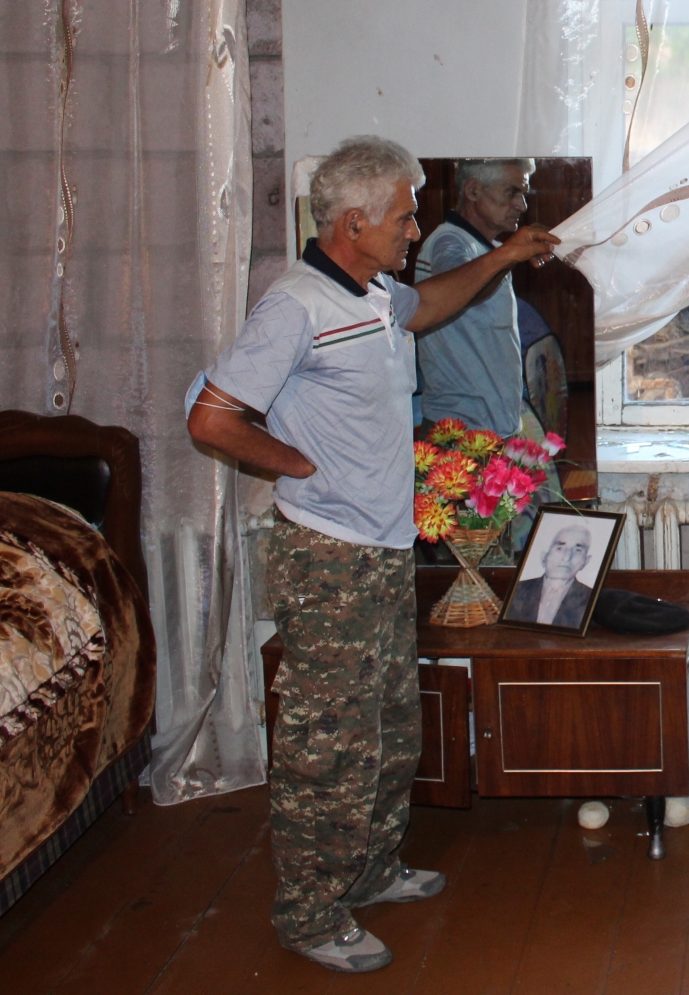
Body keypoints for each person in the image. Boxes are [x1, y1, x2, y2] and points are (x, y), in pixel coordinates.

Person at [185, 137, 557, 974]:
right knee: (329, 743)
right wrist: (297, 464)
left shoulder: (373, 291)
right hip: (329, 558)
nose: (415, 230)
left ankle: (371, 869)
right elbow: (212, 417)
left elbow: (424, 308)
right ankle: (310, 912)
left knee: (389, 726)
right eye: (403, 217)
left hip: (383, 548)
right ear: (353, 222)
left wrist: (504, 255)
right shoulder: (296, 306)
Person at [415, 158, 537, 437]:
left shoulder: (488, 249)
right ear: (473, 191)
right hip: (460, 432)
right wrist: (509, 254)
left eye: (523, 194)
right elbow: (459, 292)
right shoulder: (450, 242)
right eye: (512, 192)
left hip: (490, 427)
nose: (521, 205)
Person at [505, 519, 596, 629]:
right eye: (559, 548)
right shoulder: (517, 589)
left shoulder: (592, 598)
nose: (566, 557)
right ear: (544, 557)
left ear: (585, 561)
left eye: (578, 550)